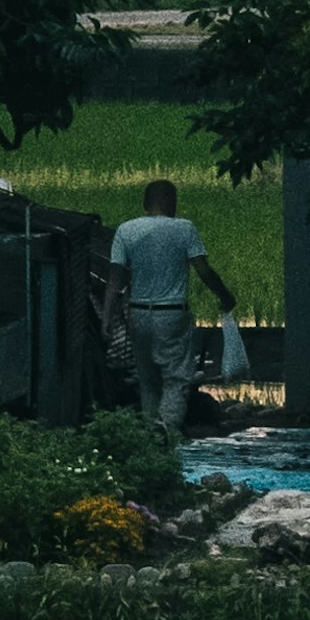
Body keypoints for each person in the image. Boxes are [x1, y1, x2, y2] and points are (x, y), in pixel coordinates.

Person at [104, 174, 237, 440]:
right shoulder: (184, 229)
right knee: (177, 378)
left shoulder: (126, 230)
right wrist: (225, 296)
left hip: (138, 314)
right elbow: (204, 270)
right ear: (171, 202)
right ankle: (164, 430)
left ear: (145, 204)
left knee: (148, 379)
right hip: (172, 314)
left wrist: (106, 317)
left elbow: (115, 280)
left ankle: (151, 437)